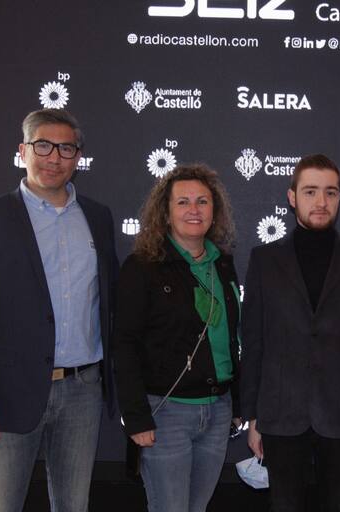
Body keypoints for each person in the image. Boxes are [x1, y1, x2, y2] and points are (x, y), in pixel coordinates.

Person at [0, 109, 118, 511]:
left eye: (65, 148)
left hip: (83, 390)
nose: (54, 157)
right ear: (23, 151)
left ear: (78, 156)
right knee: (2, 505)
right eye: (43, 146)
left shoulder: (98, 217)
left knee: (74, 505)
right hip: (8, 393)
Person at [240, 154, 340, 512]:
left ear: (339, 197)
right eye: (310, 191)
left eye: (330, 192)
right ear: (292, 197)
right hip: (280, 414)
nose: (321, 201)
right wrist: (253, 417)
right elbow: (254, 342)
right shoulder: (264, 260)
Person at [113, 164, 241, 512]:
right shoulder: (142, 267)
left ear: (214, 211)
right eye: (183, 202)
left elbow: (231, 339)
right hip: (166, 413)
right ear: (165, 213)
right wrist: (136, 416)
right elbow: (124, 344)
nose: (193, 210)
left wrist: (238, 404)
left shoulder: (223, 264)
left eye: (202, 201)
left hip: (218, 410)